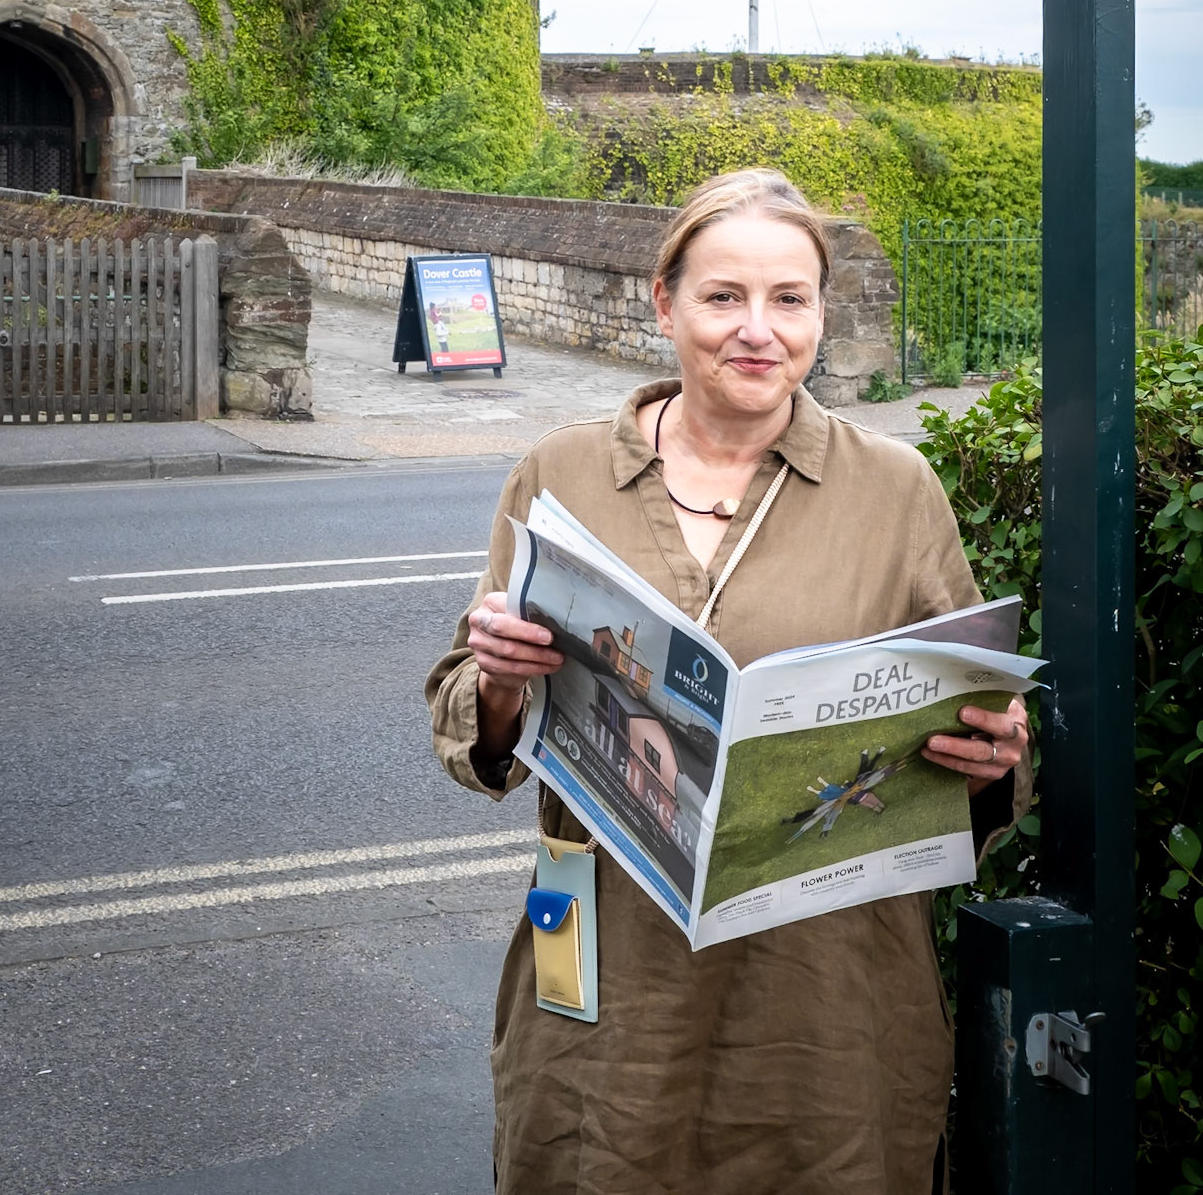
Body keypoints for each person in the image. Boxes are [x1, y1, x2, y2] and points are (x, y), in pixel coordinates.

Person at [425, 169, 1030, 1195]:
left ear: (821, 312)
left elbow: (975, 736)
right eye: (723, 296)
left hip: (826, 994)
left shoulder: (895, 489)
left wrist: (991, 752)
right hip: (615, 980)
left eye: (790, 298)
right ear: (665, 303)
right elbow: (466, 716)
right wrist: (497, 679)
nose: (759, 328)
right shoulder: (559, 474)